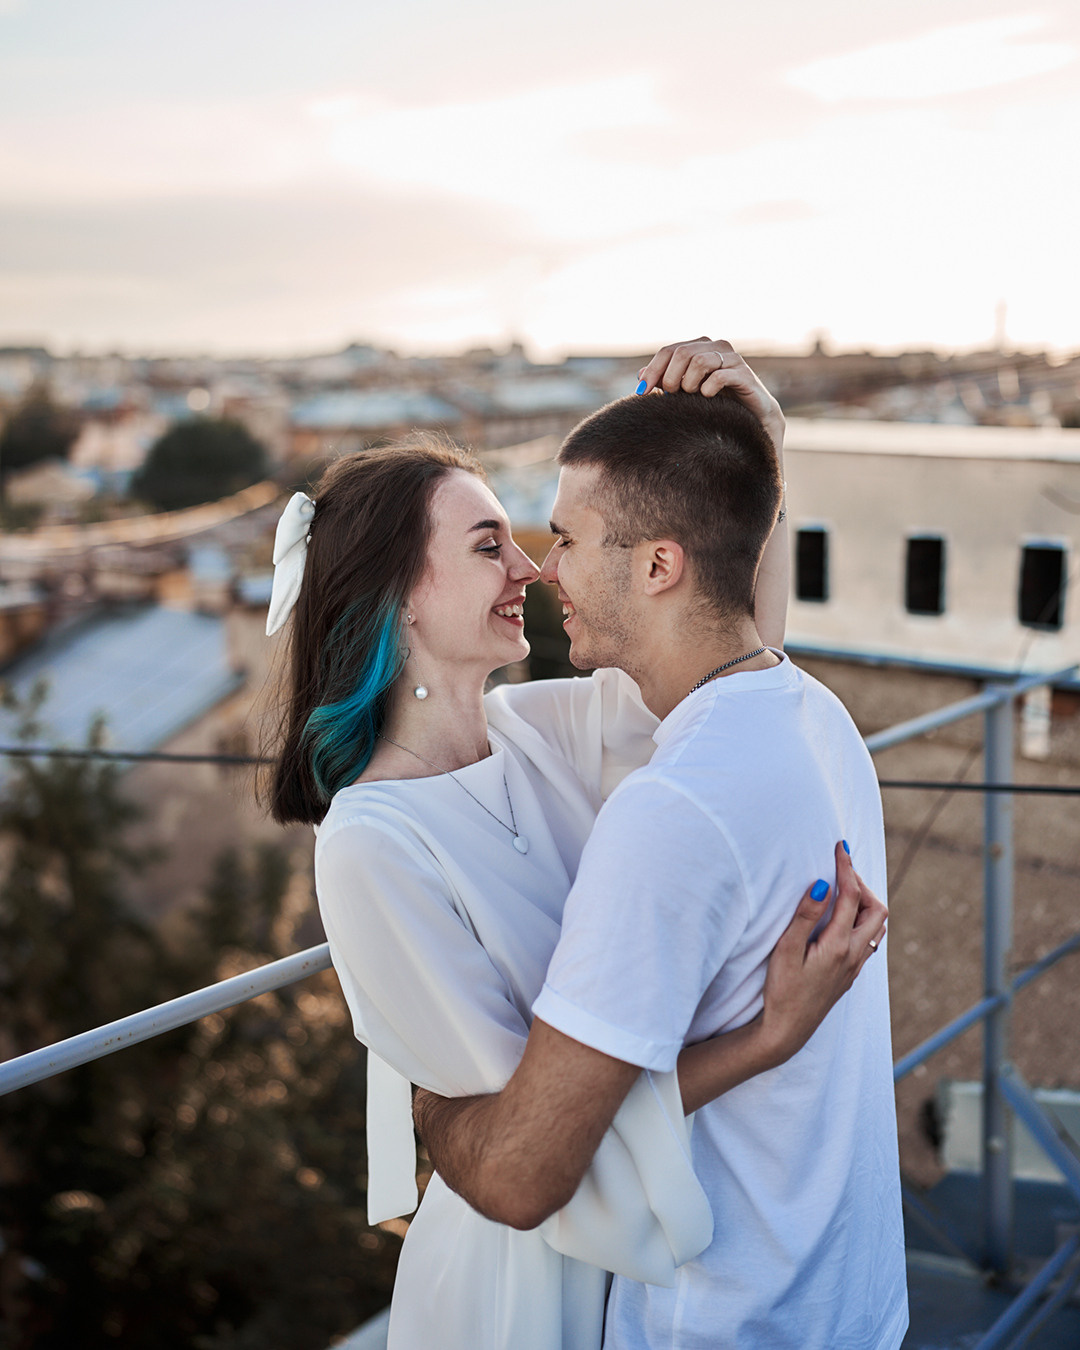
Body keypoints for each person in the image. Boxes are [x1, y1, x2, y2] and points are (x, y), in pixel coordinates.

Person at [264, 340, 887, 1350]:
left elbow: (722, 645)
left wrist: (761, 459)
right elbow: (527, 1151)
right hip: (518, 1281)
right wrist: (763, 1040)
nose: (531, 568)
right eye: (488, 546)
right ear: (398, 597)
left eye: (534, 539)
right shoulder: (369, 843)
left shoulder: (542, 727)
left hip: (620, 1245)